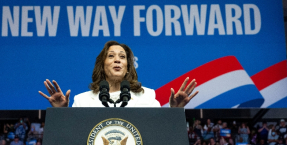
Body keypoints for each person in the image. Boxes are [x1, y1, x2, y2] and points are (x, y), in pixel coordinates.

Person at [39, 41, 198, 108]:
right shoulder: (82, 100)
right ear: (102, 65)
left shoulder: (148, 96)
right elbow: (71, 140)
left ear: (128, 67)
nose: (117, 60)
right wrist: (61, 114)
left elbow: (161, 131)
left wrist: (174, 111)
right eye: (111, 56)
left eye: (122, 57)